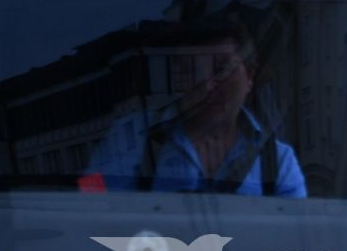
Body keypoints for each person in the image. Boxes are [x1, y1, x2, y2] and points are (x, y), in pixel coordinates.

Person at [85, 18, 307, 198]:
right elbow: (89, 210)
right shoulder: (129, 140)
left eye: (222, 68)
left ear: (250, 76)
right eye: (189, 71)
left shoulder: (278, 160)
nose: (207, 85)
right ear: (176, 80)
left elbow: (295, 239)